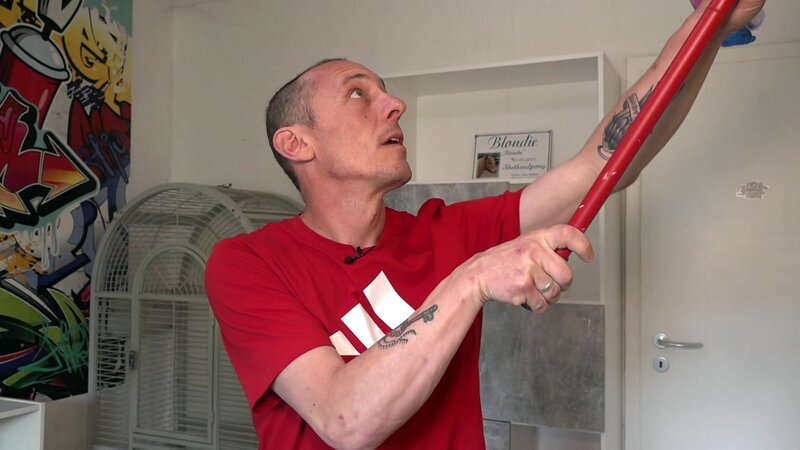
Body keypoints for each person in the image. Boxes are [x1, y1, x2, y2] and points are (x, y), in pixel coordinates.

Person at [205, 1, 765, 448]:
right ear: (296, 143)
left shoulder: (441, 231)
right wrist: (472, 278)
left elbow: (604, 161)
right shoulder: (247, 263)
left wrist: (710, 26)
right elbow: (345, 420)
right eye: (358, 94)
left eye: (385, 90)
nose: (395, 104)